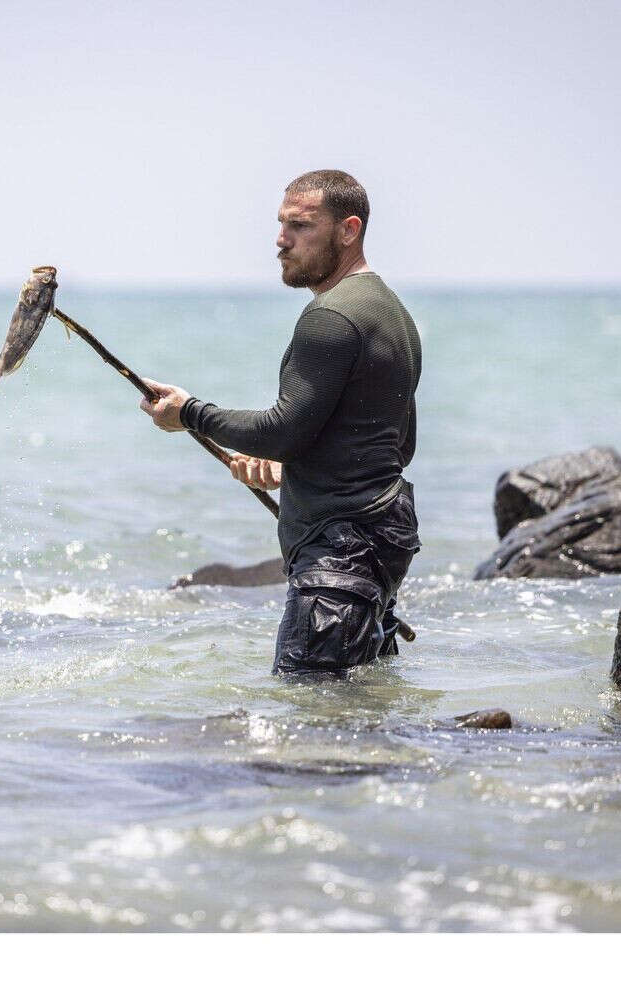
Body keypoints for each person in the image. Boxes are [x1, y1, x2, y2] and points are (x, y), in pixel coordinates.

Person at [140, 170, 422, 676]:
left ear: (348, 229)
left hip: (338, 558)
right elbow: (392, 442)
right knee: (355, 723)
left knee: (311, 720)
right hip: (379, 544)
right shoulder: (391, 312)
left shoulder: (331, 317)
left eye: (300, 226)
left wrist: (189, 413)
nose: (281, 240)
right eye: (281, 224)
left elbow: (283, 429)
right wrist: (290, 463)